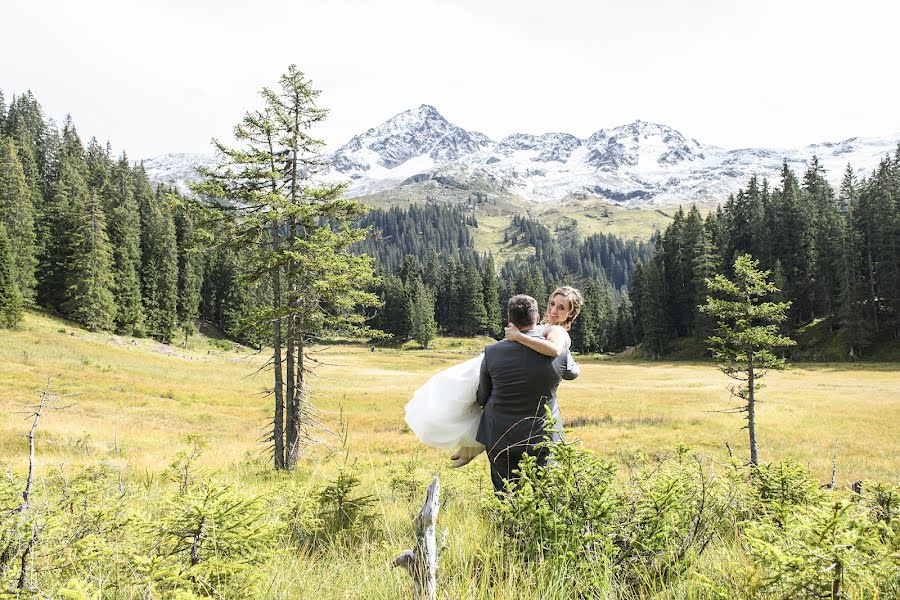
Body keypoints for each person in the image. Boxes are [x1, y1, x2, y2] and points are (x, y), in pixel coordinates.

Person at [403, 286, 583, 470]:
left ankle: (473, 445)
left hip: (507, 371)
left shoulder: (558, 332)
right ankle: (470, 446)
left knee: (475, 393)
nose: (553, 310)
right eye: (552, 304)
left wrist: (518, 336)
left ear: (570, 314)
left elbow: (554, 350)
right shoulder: (546, 327)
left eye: (561, 308)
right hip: (514, 375)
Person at [475, 294, 580, 494]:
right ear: (538, 318)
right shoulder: (559, 351)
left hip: (500, 436)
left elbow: (482, 397)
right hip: (543, 435)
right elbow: (573, 373)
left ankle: (507, 526)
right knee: (546, 496)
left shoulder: (491, 352)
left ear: (509, 319)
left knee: (505, 495)